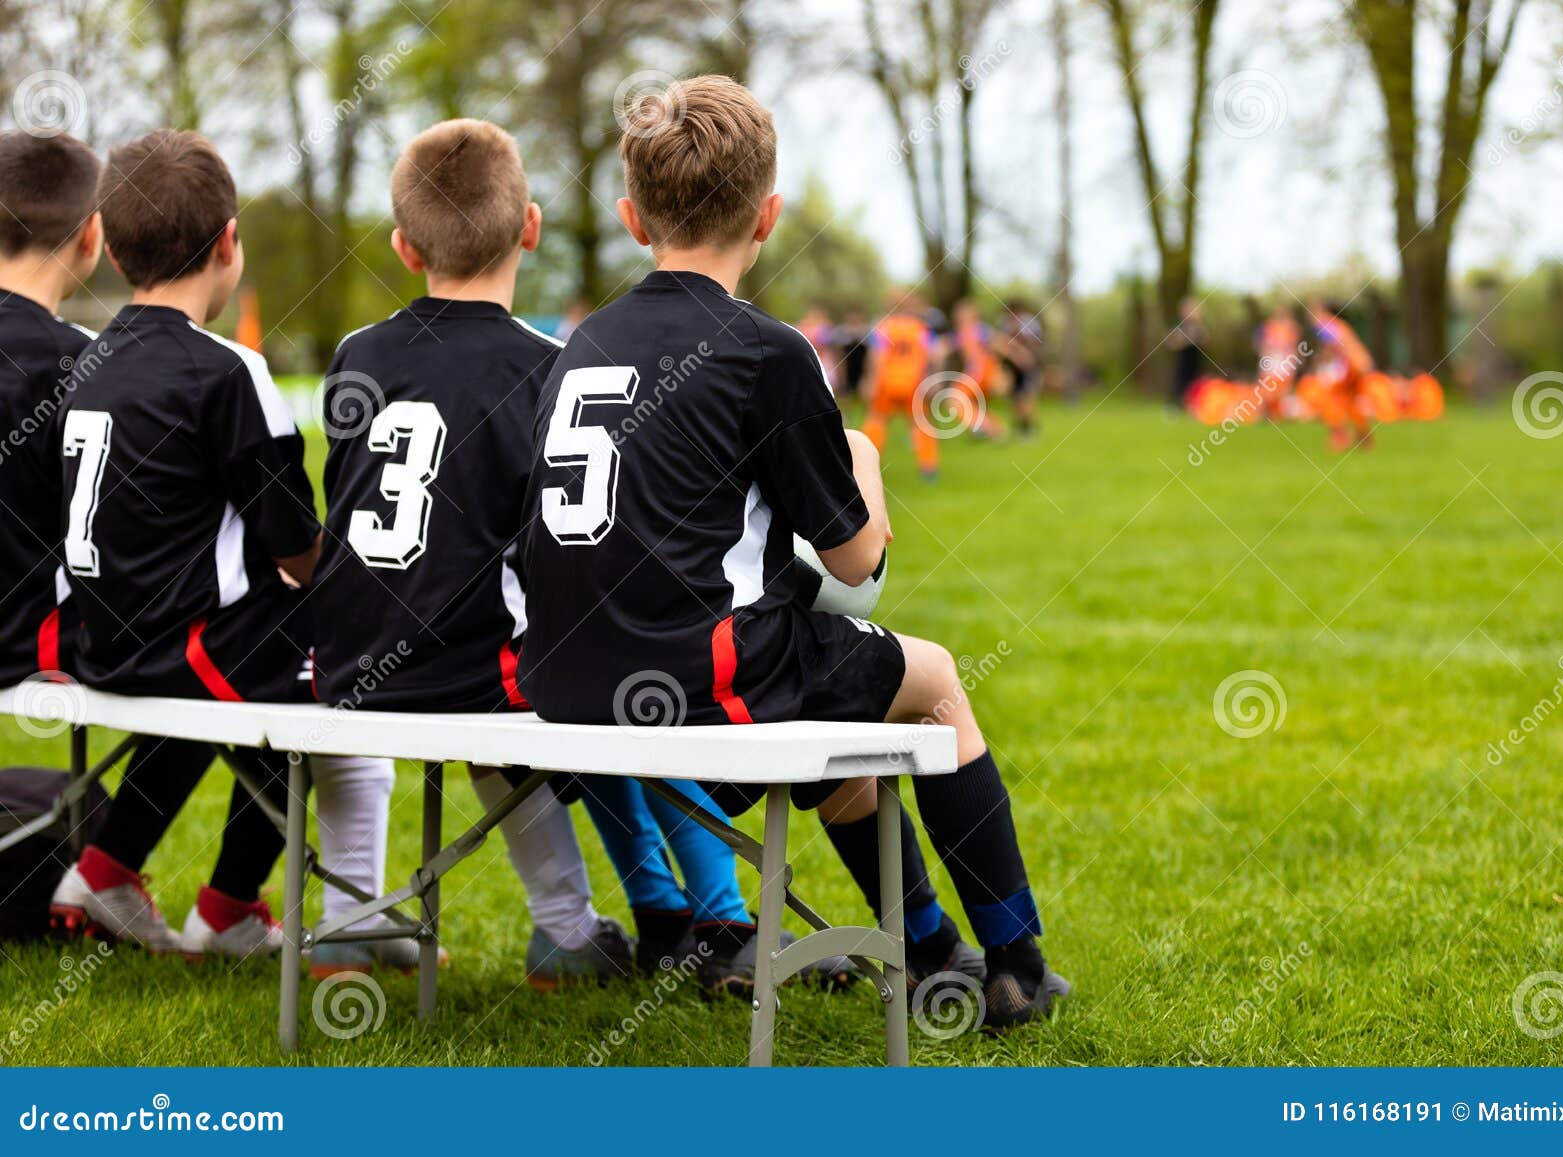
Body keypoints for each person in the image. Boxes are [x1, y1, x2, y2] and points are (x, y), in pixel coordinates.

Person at [519, 75, 1066, 1028]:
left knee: (845, 692)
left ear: (630, 215)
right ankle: (1017, 963)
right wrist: (864, 457)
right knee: (932, 679)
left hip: (564, 677)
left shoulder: (580, 342)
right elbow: (855, 563)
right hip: (698, 674)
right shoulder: (766, 350)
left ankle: (934, 950)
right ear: (767, 215)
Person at [312, 118, 804, 991]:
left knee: (595, 675)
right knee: (623, 673)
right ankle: (614, 925)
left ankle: (352, 918)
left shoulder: (357, 353)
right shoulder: (549, 362)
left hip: (348, 659)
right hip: (476, 662)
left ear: (400, 244)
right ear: (530, 227)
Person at [51, 130, 396, 961]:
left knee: (244, 672)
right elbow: (291, 544)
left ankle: (105, 867)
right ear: (229, 243)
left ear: (111, 242)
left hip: (102, 638)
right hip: (185, 644)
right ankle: (241, 907)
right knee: (348, 671)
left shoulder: (82, 360)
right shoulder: (226, 370)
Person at [0, 130, 238, 949]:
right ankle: (135, 873)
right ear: (94, 237)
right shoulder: (87, 364)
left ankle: (105, 869)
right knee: (209, 639)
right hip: (34, 635)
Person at [863, 289, 943, 480]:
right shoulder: (921, 327)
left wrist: (870, 380)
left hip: (887, 381)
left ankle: (867, 465)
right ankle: (928, 468)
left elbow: (877, 355)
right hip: (914, 382)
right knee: (921, 423)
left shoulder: (883, 327)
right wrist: (934, 378)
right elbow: (936, 353)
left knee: (877, 419)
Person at [1310, 300, 1376, 451]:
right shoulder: (1338, 324)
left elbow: (1333, 347)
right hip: (1360, 364)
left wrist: (1320, 365)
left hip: (1351, 366)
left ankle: (1340, 436)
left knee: (1331, 397)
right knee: (1350, 401)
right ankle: (1363, 436)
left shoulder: (1325, 324)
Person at [951, 299, 1005, 438]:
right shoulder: (962, 332)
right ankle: (996, 431)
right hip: (979, 372)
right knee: (975, 404)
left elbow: (996, 346)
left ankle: (983, 427)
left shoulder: (978, 329)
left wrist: (998, 373)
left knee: (955, 400)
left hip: (979, 372)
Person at [997, 300, 1043, 438]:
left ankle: (1029, 427)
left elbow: (1035, 342)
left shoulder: (1031, 322)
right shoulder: (1003, 322)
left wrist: (1026, 356)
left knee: (1027, 395)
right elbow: (1001, 342)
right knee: (1015, 396)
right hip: (1012, 365)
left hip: (1028, 365)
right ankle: (1019, 426)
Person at [1166, 296, 1207, 411]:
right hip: (1183, 361)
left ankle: (1195, 406)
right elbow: (1171, 343)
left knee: (1197, 383)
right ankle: (1176, 405)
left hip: (1197, 361)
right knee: (1180, 382)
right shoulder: (1180, 327)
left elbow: (1205, 341)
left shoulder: (1200, 327)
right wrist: (1182, 341)